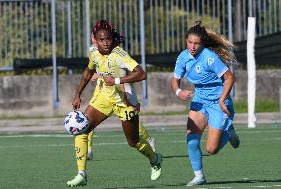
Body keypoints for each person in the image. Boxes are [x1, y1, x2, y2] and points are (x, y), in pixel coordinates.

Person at [67, 20, 162, 187]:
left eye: (108, 39)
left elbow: (141, 74)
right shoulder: (93, 53)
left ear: (112, 39)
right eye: (101, 39)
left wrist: (117, 80)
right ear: (95, 40)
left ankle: (155, 159)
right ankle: (81, 173)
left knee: (133, 142)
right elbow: (89, 71)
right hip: (104, 98)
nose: (105, 42)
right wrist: (77, 94)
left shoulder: (119, 54)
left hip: (125, 101)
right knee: (82, 130)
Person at [171, 21, 240, 186]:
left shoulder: (210, 57)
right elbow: (175, 80)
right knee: (192, 140)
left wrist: (223, 99)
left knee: (211, 149)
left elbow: (229, 77)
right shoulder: (183, 57)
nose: (192, 46)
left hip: (218, 103)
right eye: (190, 42)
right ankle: (199, 176)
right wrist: (179, 92)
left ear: (202, 44)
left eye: (196, 43)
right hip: (199, 101)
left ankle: (228, 132)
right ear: (186, 41)